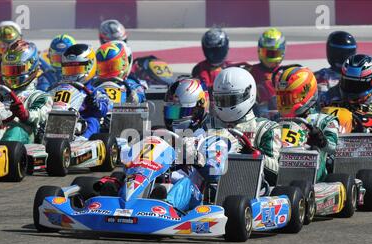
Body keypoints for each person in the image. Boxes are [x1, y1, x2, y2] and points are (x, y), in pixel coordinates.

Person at [93, 78, 228, 211]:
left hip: (192, 194)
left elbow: (215, 172)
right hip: (154, 183)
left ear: (197, 111)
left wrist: (196, 158)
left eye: (179, 112)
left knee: (184, 184)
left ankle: (163, 204)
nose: (173, 117)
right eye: (171, 112)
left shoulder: (212, 140)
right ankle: (112, 197)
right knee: (123, 176)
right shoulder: (158, 135)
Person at [212, 67, 282, 185]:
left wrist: (253, 156)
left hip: (248, 189)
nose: (225, 105)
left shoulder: (265, 128)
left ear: (248, 94)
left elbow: (276, 172)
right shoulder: (209, 125)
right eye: (221, 100)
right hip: (208, 186)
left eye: (231, 100)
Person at [321, 54, 372, 158]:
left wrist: (362, 130)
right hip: (325, 156)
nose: (351, 89)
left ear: (371, 81)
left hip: (361, 163)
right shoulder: (331, 104)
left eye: (356, 85)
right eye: (348, 83)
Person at [275, 66, 339, 182]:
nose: (285, 103)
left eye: (289, 98)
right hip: (277, 174)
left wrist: (321, 141)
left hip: (314, 179)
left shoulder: (324, 121)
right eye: (282, 99)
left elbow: (336, 150)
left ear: (305, 94)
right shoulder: (275, 121)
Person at [0, 40, 52, 144]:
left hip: (26, 135)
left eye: (16, 70)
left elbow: (41, 114)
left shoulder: (39, 96)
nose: (11, 75)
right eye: (8, 70)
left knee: (14, 131)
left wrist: (25, 114)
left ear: (31, 67)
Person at [60, 44, 111, 139]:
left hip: (81, 125)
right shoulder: (59, 88)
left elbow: (104, 109)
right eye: (69, 70)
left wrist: (94, 102)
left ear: (89, 66)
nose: (72, 74)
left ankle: (82, 141)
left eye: (76, 69)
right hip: (58, 120)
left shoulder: (94, 91)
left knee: (92, 120)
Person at [244, 28, 286, 111]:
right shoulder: (249, 72)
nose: (270, 58)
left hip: (279, 114)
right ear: (259, 51)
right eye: (267, 53)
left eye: (274, 54)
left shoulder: (285, 75)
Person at [315, 31, 357, 95]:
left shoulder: (319, 76)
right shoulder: (361, 78)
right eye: (341, 54)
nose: (344, 57)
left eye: (347, 54)